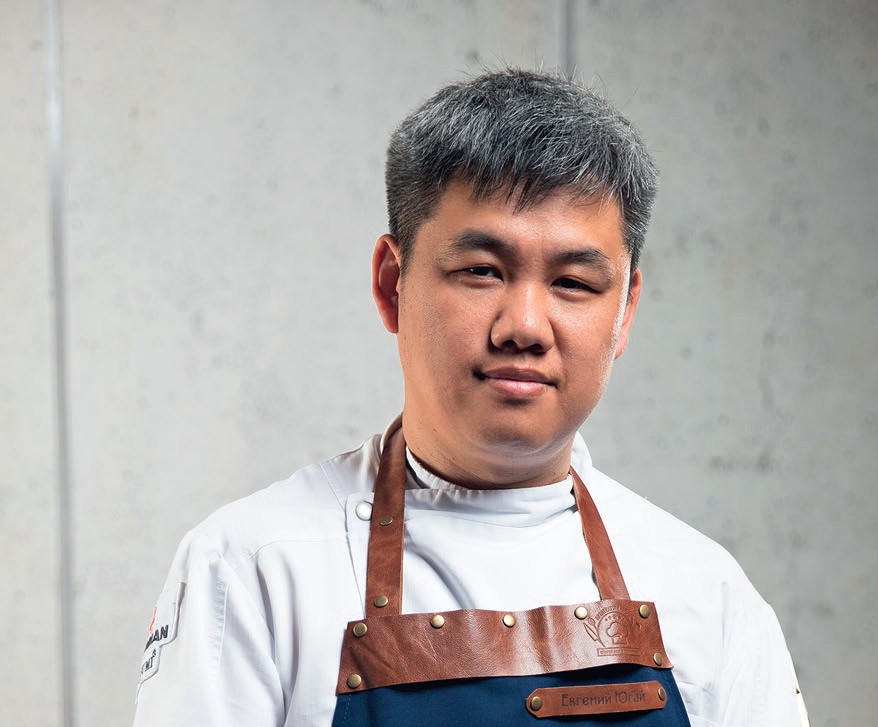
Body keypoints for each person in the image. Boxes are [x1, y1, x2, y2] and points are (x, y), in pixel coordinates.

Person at [132, 69, 808, 726]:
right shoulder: (253, 569)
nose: (524, 326)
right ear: (392, 283)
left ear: (625, 310)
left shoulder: (707, 594)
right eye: (482, 271)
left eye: (573, 283)